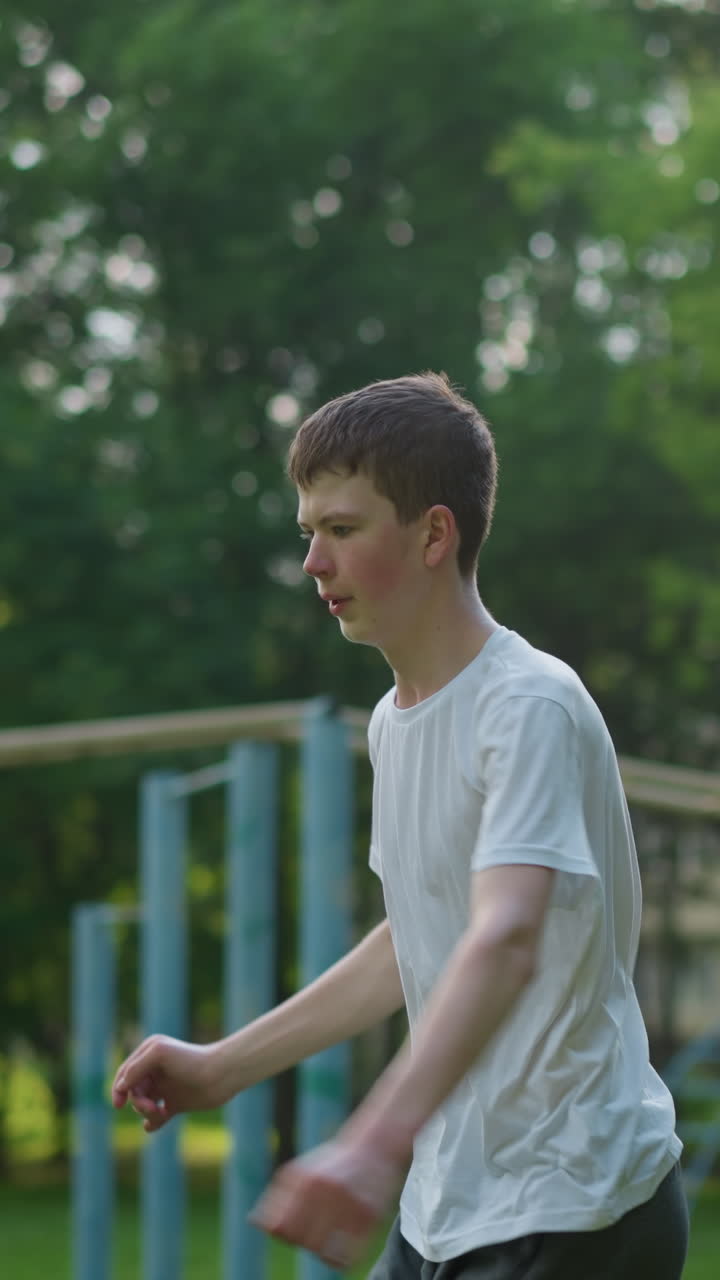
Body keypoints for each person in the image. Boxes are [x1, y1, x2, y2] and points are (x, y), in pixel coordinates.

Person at [112, 372, 688, 1278]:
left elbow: (503, 938)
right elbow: (414, 938)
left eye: (341, 530)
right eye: (309, 534)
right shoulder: (394, 719)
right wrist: (226, 1066)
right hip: (447, 1206)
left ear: (432, 535)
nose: (313, 564)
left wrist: (372, 1143)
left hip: (575, 1208)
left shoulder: (527, 705)